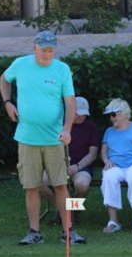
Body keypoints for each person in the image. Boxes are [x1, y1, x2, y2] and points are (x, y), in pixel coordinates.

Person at [0, 30, 84, 245]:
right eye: (43, 50)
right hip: (27, 138)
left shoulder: (62, 69)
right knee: (31, 187)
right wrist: (7, 102)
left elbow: (70, 102)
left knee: (61, 185)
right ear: (34, 48)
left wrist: (67, 129)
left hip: (55, 139)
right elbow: (4, 79)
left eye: (50, 50)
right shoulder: (20, 64)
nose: (47, 54)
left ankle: (68, 231)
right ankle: (34, 232)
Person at [40, 96, 99, 227]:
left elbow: (92, 154)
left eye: (83, 114)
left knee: (82, 185)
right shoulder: (58, 126)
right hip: (58, 163)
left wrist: (77, 166)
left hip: (81, 165)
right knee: (39, 183)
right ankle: (62, 209)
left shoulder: (91, 127)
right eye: (77, 113)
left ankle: (73, 210)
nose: (81, 117)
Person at [100, 98, 132, 233]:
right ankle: (113, 221)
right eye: (109, 115)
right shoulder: (109, 131)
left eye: (113, 114)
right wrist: (106, 161)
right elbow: (103, 151)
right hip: (115, 166)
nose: (111, 118)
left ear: (124, 113)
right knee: (108, 177)